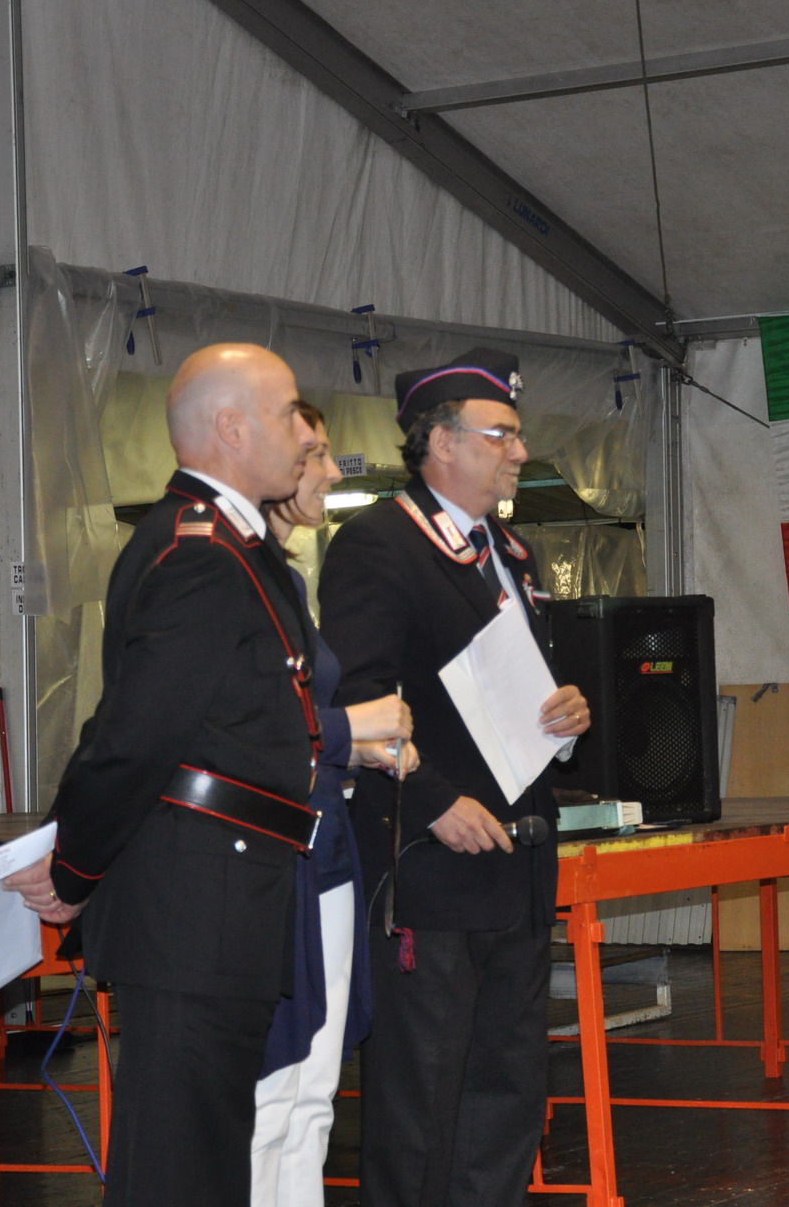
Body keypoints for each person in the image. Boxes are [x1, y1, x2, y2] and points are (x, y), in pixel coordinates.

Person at [3, 343, 332, 1207]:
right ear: (231, 427)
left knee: (205, 1157)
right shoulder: (201, 553)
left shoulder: (235, 545)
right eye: (287, 413)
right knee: (180, 1167)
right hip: (197, 903)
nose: (304, 434)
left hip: (225, 894)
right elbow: (135, 734)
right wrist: (75, 867)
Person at [318, 347, 591, 1206]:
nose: (519, 451)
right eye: (501, 434)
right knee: (422, 1101)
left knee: (507, 1090)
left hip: (518, 863)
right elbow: (355, 700)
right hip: (430, 866)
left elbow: (514, 691)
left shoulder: (509, 550)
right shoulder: (379, 544)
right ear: (440, 442)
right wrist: (432, 802)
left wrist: (567, 718)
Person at [251, 404, 420, 1207]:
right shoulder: (233, 580)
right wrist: (351, 730)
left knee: (313, 1094)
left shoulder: (287, 582)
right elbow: (243, 728)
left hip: (326, 857)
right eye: (313, 454)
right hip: (272, 866)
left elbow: (300, 728)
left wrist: (357, 751)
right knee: (271, 1093)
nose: (327, 472)